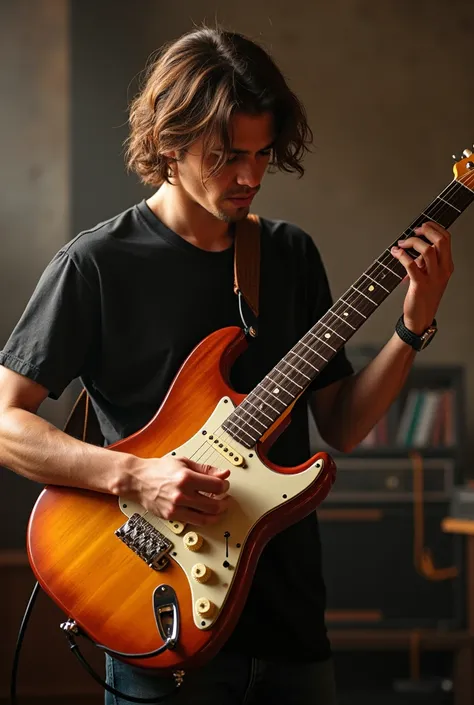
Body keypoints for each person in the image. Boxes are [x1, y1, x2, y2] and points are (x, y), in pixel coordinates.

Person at [0, 25, 453, 705]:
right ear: (168, 143)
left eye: (262, 154)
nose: (249, 176)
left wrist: (413, 326)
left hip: (292, 627)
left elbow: (344, 424)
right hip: (159, 615)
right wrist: (138, 475)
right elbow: (5, 421)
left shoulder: (289, 255)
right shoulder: (95, 266)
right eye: (226, 156)